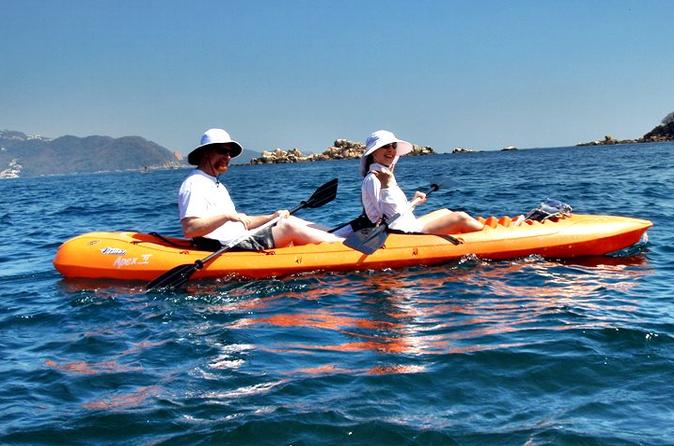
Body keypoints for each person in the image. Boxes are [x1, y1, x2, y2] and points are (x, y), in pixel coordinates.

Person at [179, 128, 342, 250]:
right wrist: (226, 216)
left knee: (285, 220)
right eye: (223, 151)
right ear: (206, 152)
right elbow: (190, 229)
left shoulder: (216, 184)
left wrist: (272, 216)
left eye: (230, 153)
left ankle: (343, 236)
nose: (228, 157)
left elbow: (244, 223)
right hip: (227, 247)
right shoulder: (194, 183)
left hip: (241, 237)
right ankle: (345, 248)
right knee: (288, 227)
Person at [359, 129, 484, 235]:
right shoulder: (374, 178)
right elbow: (381, 218)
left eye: (393, 146)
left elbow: (392, 210)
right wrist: (386, 187)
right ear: (374, 152)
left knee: (445, 212)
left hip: (407, 223)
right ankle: (488, 236)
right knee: (460, 217)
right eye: (386, 146)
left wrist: (413, 202)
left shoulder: (384, 175)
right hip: (403, 230)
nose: (391, 150)